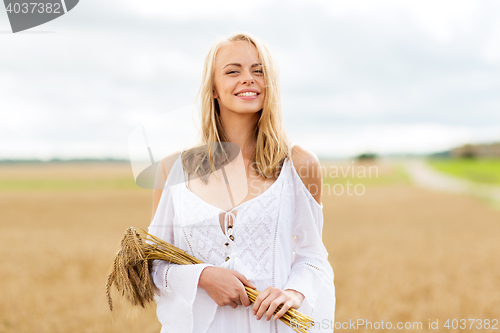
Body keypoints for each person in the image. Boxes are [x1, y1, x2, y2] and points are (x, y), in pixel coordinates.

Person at [148, 32, 335, 333]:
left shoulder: (299, 165)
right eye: (233, 71)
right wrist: (203, 276)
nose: (248, 79)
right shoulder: (173, 170)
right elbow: (153, 265)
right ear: (213, 89)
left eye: (258, 71)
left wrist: (293, 293)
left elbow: (313, 257)